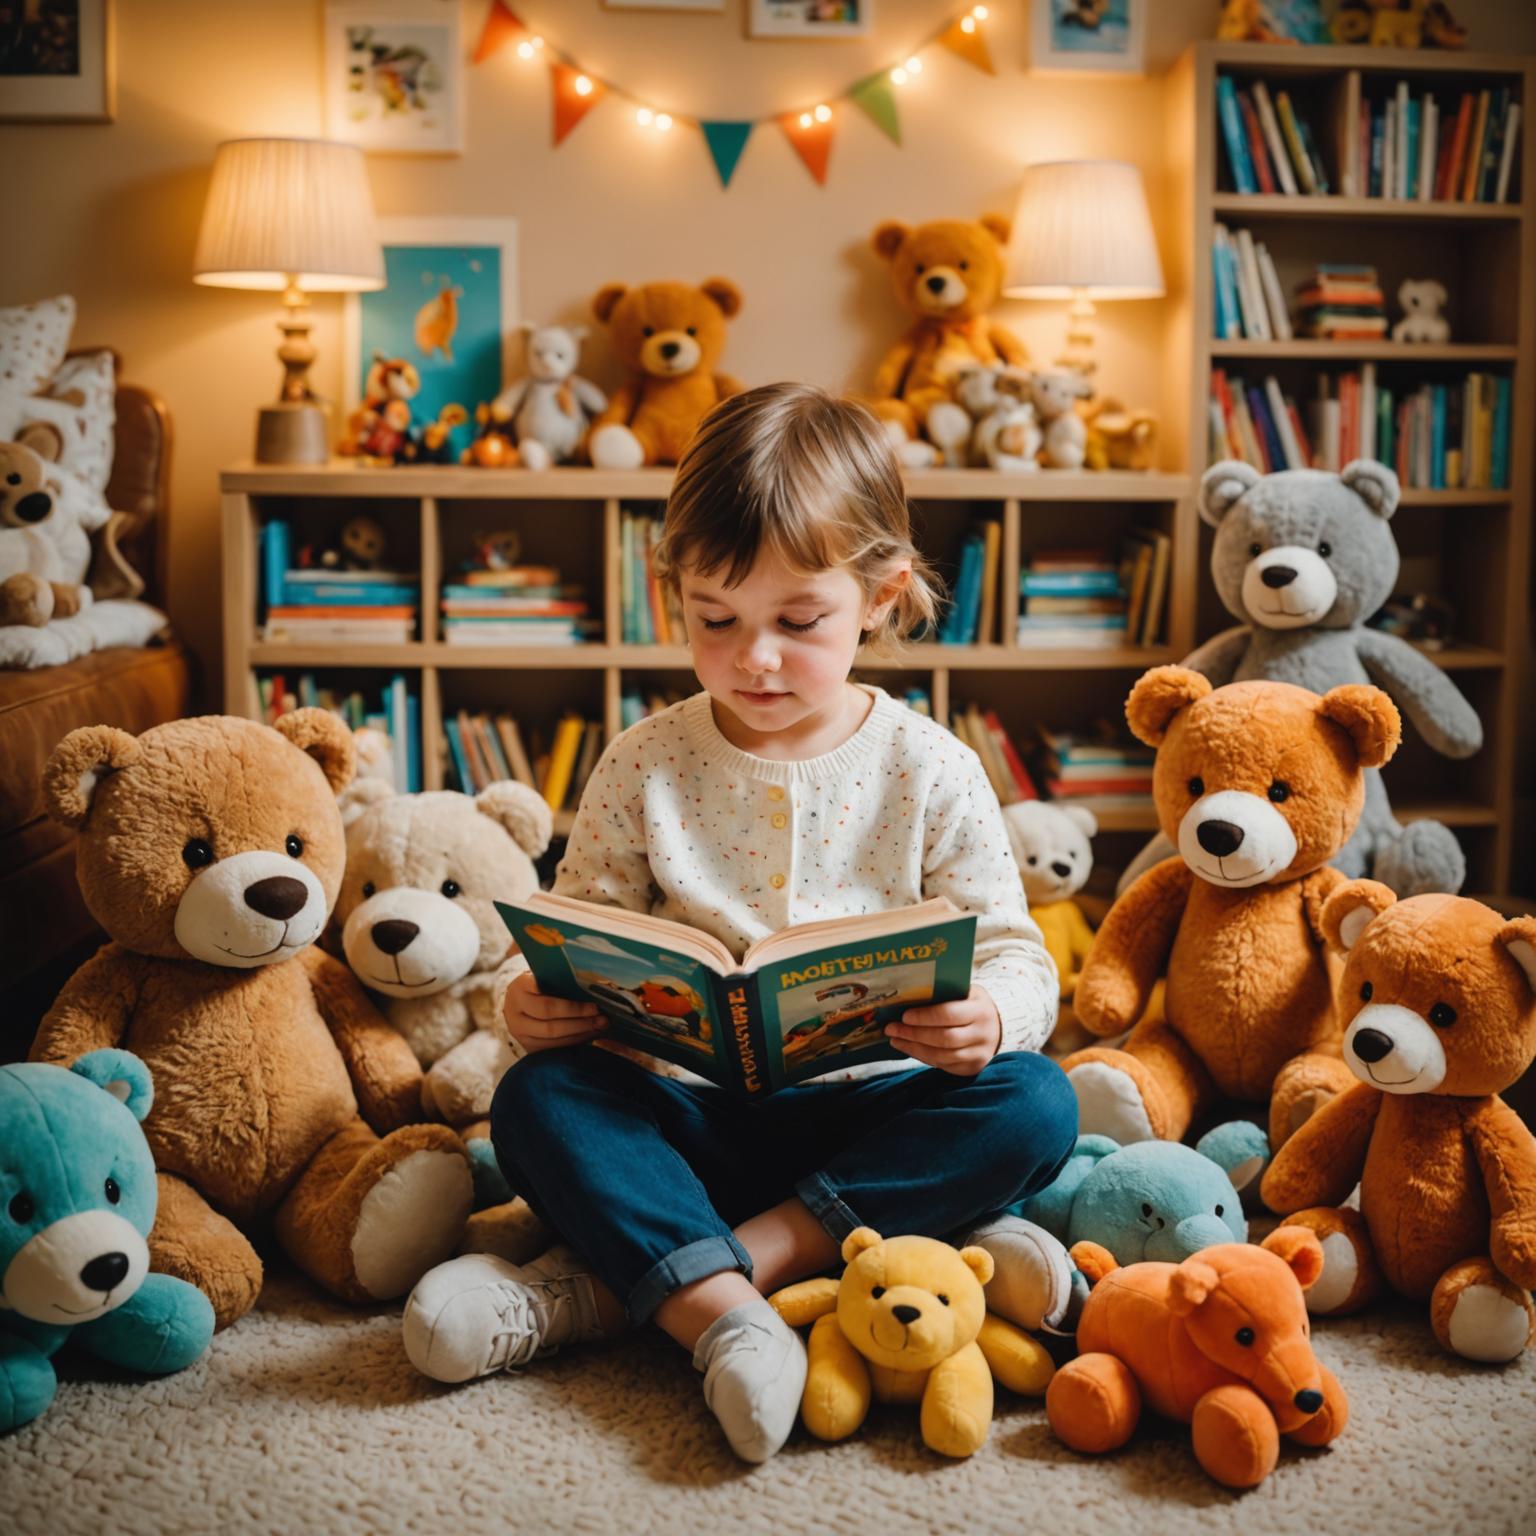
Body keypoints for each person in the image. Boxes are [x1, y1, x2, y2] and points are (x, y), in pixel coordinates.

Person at [402, 383, 1074, 1462]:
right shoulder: (644, 761)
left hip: (871, 1120)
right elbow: (579, 936)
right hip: (689, 1123)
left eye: (799, 624)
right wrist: (534, 1008)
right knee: (536, 1101)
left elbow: (1015, 952)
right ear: (675, 594)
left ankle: (672, 1285)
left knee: (1036, 1103)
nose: (755, 657)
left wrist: (992, 1016)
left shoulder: (932, 768)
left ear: (882, 596)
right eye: (716, 619)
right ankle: (744, 1307)